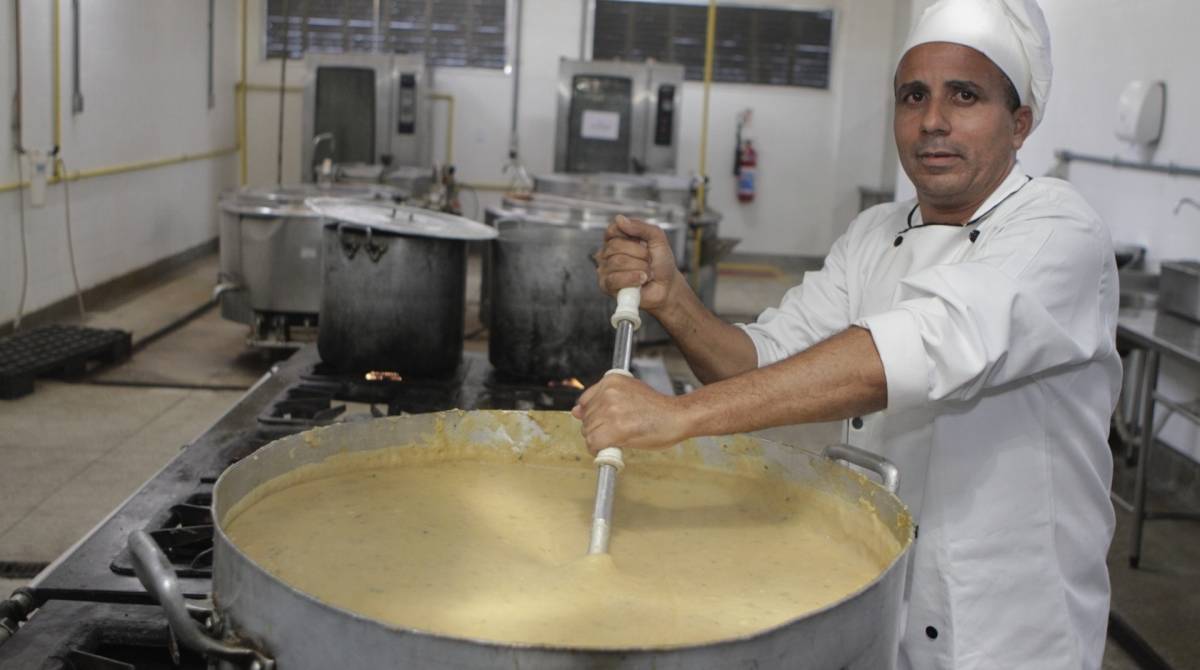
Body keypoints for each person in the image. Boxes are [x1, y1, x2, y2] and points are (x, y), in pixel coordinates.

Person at [573, 0, 1121, 667]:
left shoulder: (1059, 228)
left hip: (1010, 627)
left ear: (1020, 123)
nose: (933, 122)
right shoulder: (873, 235)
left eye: (965, 96)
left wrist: (677, 417)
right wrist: (673, 299)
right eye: (912, 95)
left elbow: (918, 347)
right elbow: (760, 365)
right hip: (878, 593)